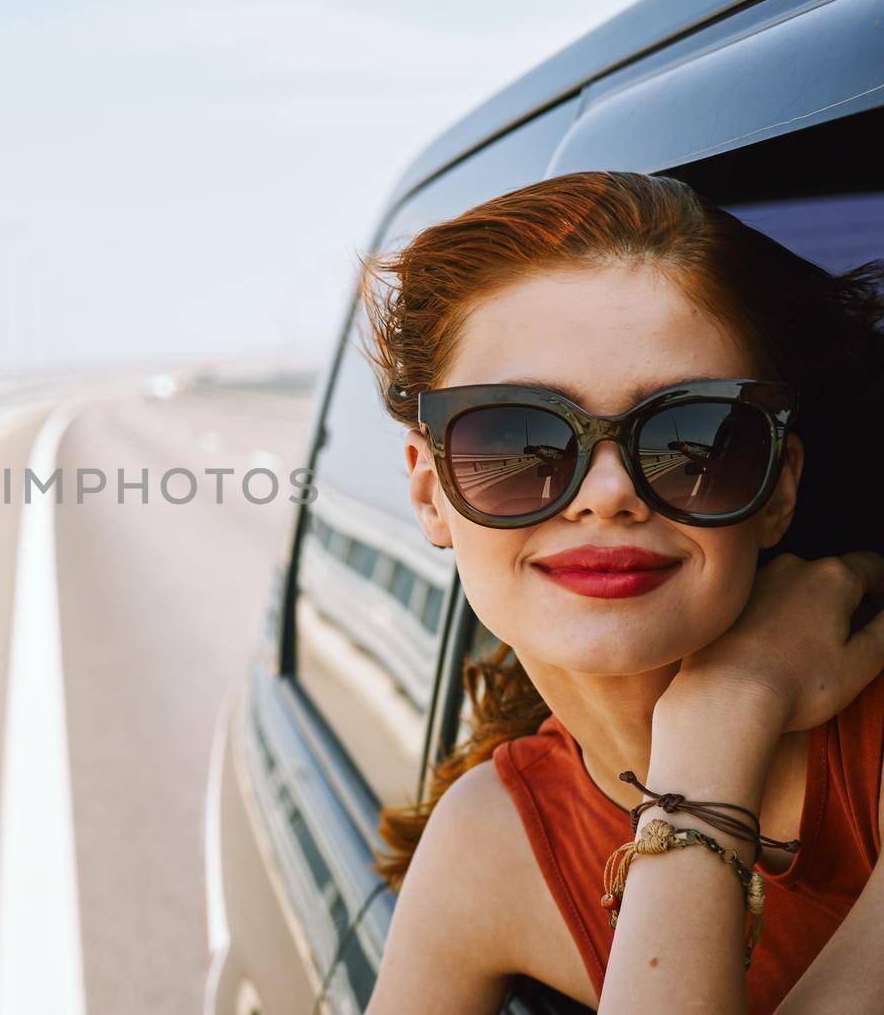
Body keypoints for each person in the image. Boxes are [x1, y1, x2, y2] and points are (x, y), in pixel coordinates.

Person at [357, 171, 884, 1014]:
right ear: (430, 492)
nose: (607, 493)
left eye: (692, 435)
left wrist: (724, 718)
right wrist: (719, 720)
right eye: (517, 437)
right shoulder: (491, 842)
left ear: (778, 487)